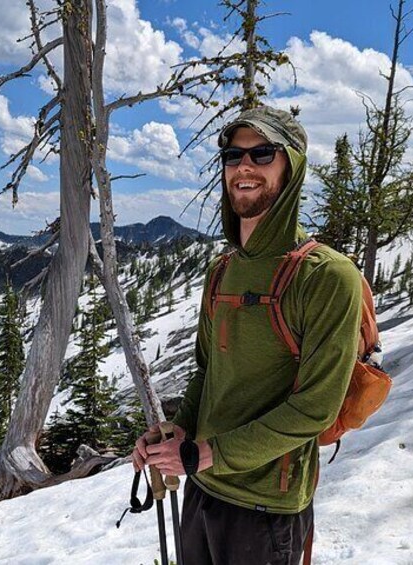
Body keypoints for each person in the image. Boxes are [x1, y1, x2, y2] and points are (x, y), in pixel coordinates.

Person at [132, 105, 364, 564]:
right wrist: (178, 432)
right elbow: (208, 372)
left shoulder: (326, 275)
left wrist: (203, 455)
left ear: (291, 167)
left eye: (262, 154)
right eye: (233, 155)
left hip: (266, 508)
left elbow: (315, 408)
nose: (244, 166)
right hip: (203, 491)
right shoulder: (222, 270)